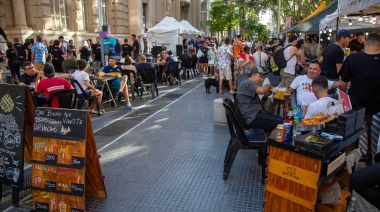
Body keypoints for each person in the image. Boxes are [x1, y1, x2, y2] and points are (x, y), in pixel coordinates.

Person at [339, 32, 380, 116]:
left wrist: (342, 103)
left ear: (365, 42)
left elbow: (342, 84)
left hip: (356, 106)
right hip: (378, 108)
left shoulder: (352, 58)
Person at [236, 67, 284, 135]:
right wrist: (268, 86)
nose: (262, 79)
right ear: (253, 75)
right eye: (260, 77)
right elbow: (261, 90)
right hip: (252, 117)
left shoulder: (248, 85)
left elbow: (259, 103)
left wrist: (265, 97)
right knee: (281, 124)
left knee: (283, 120)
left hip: (257, 115)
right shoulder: (248, 83)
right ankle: (269, 143)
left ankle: (268, 140)